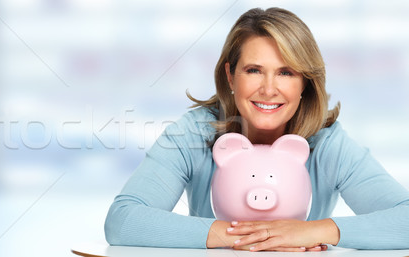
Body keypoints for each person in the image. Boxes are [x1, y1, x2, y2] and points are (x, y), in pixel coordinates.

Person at [104, 7, 409, 251]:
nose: (268, 89)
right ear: (231, 76)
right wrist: (240, 235)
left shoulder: (327, 142)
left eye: (286, 72)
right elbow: (123, 220)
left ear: (304, 83)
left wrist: (309, 231)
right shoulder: (194, 133)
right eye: (254, 70)